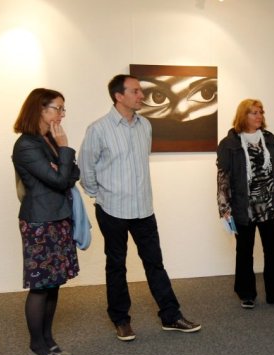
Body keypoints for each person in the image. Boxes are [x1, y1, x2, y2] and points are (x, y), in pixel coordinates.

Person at [78, 74, 201, 341]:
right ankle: (121, 320)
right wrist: (100, 195)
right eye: (135, 91)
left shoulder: (145, 125)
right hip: (112, 209)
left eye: (140, 91)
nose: (141, 95)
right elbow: (85, 170)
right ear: (118, 96)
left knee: (155, 263)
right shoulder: (98, 129)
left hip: (144, 209)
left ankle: (171, 316)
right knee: (116, 265)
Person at [12, 88, 80, 355]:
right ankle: (36, 348)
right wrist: (64, 150)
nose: (62, 114)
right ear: (40, 109)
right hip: (40, 222)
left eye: (63, 108)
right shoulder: (26, 145)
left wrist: (60, 162)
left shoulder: (47, 140)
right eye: (58, 108)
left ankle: (48, 341)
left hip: (58, 217)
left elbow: (72, 174)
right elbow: (61, 180)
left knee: (53, 284)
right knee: (40, 286)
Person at [216, 99, 274, 309]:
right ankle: (246, 293)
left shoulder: (270, 139)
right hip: (244, 207)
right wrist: (224, 207)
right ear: (243, 116)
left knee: (273, 251)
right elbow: (223, 177)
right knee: (244, 252)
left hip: (270, 205)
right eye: (254, 113)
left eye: (261, 112)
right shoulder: (229, 143)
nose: (259, 116)